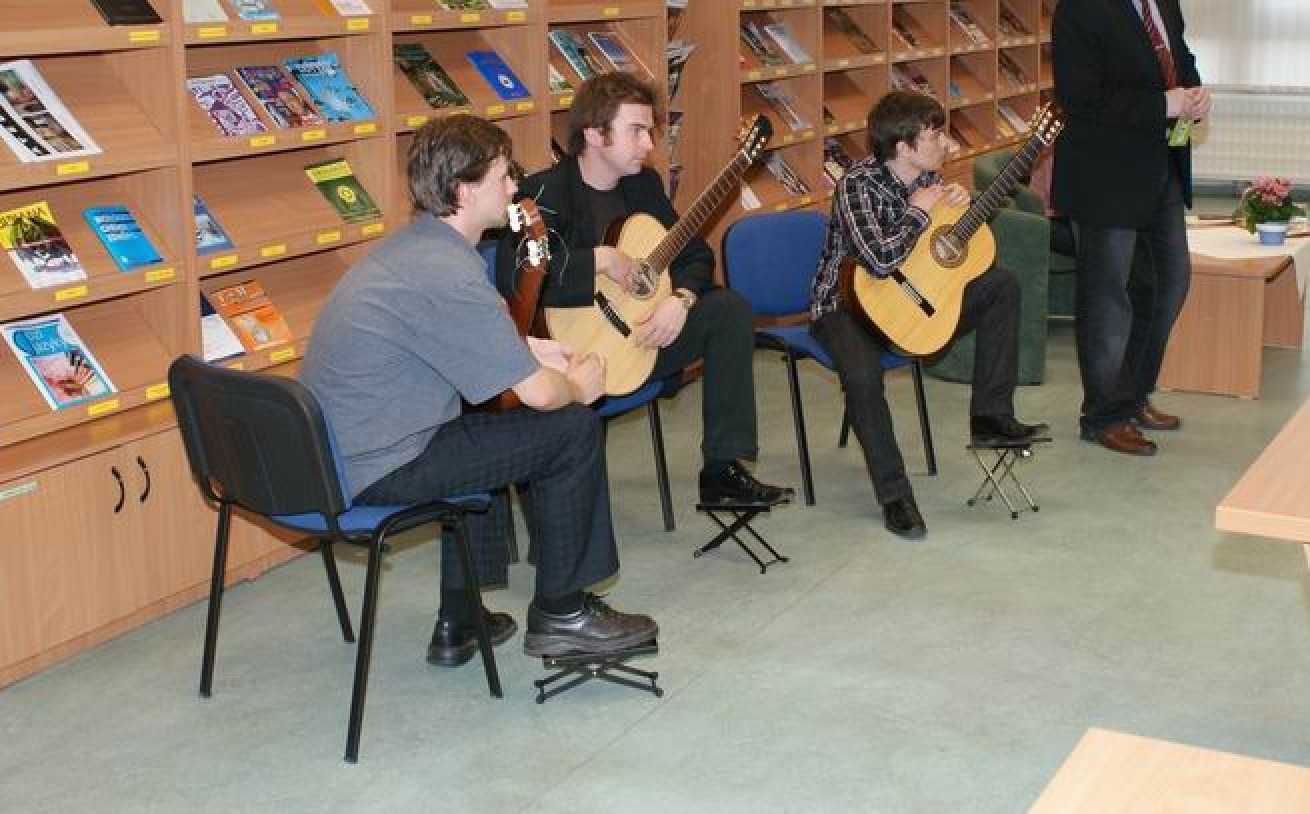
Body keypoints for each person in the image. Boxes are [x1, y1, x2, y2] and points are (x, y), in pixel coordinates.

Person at [301, 114, 657, 668]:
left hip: (342, 454)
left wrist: (531, 349)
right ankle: (563, 615)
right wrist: (578, 385)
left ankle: (460, 617)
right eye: (503, 176)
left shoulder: (416, 249)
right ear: (465, 190)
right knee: (570, 427)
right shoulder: (449, 272)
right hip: (378, 467)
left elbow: (460, 338)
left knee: (489, 428)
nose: (515, 186)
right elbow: (541, 396)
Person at [508, 71, 790, 509]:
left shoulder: (643, 185)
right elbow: (518, 280)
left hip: (643, 337)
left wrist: (681, 299)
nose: (649, 144)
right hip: (573, 356)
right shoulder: (539, 194)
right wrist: (601, 259)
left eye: (650, 132)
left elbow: (694, 254)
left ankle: (722, 472)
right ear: (595, 134)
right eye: (636, 131)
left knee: (729, 309)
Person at [810, 90, 1044, 540]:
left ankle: (990, 416)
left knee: (1002, 286)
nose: (945, 143)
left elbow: (939, 256)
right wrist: (920, 211)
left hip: (910, 307)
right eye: (935, 135)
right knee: (862, 376)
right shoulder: (856, 185)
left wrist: (958, 209)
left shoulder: (927, 178)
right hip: (845, 307)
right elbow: (879, 261)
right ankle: (895, 496)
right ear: (904, 147)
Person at [1050, 0, 1212, 457]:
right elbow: (1081, 97)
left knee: (1168, 282)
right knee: (1108, 300)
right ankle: (1101, 416)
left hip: (1160, 165)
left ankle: (1133, 393)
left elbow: (1177, 56)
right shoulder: (1081, 2)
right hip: (1105, 177)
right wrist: (1163, 103)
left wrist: (1194, 91)